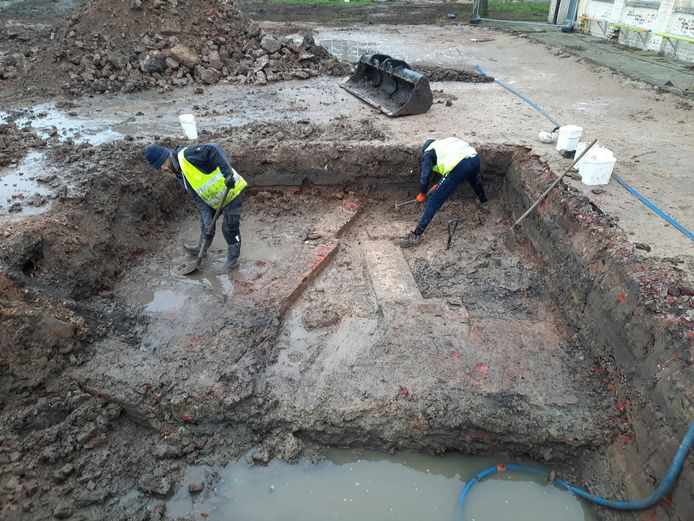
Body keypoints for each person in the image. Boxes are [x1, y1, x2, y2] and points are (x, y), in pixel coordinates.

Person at [144, 143, 247, 272]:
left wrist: (228, 174)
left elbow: (213, 149)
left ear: (166, 157)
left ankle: (232, 261)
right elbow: (198, 197)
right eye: (159, 168)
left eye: (161, 165)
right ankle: (201, 249)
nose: (163, 169)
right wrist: (207, 219)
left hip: (232, 191)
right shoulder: (179, 173)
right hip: (215, 198)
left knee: (229, 228)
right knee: (206, 224)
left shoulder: (187, 155)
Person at [396, 137, 488, 248]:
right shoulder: (444, 144)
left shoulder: (428, 153)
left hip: (459, 166)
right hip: (474, 159)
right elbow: (448, 165)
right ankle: (484, 203)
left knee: (433, 200)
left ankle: (416, 236)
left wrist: (422, 193)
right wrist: (440, 184)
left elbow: (425, 176)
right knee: (474, 180)